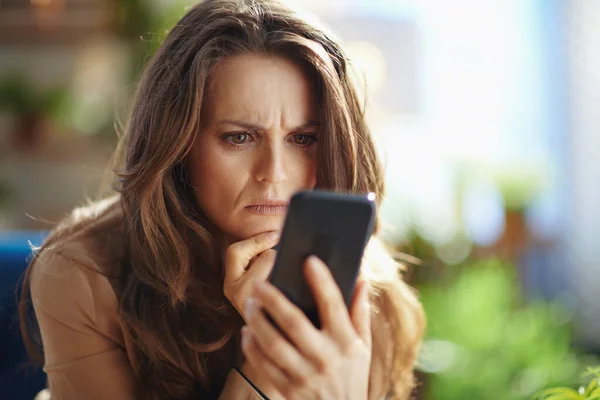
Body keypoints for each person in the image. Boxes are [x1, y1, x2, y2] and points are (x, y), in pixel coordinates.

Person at [19, 0, 425, 399]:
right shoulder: (83, 274)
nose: (275, 172)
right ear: (178, 146)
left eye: (303, 139)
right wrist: (267, 362)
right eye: (239, 137)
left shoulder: (372, 293)